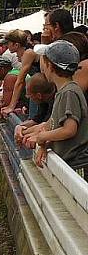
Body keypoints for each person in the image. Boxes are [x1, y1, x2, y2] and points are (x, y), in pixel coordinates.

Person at [31, 40, 88, 174]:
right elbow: (56, 125)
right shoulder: (64, 91)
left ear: (50, 66)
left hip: (76, 165)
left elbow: (69, 130)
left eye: (43, 63)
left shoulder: (69, 92)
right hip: (69, 163)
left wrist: (43, 137)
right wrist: (45, 145)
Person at [15, 73, 55, 149]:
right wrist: (20, 127)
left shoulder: (55, 101)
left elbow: (46, 125)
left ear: (39, 95)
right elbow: (37, 119)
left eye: (30, 96)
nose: (30, 99)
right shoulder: (44, 100)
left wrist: (23, 132)